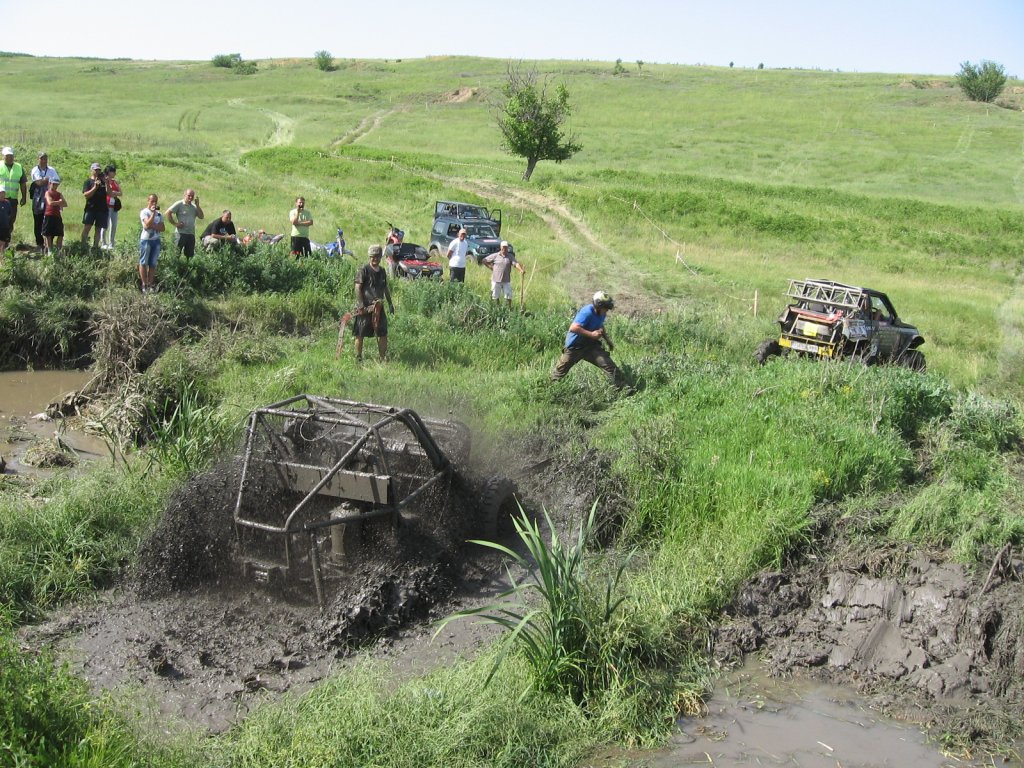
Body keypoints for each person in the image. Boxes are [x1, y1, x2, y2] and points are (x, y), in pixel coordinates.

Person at [550, 291, 627, 389]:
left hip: (591, 346)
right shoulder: (587, 312)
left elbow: (600, 325)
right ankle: (551, 391)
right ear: (598, 306)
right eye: (606, 307)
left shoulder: (601, 313)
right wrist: (591, 334)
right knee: (559, 373)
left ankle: (625, 389)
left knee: (609, 366)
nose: (607, 310)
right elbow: (573, 328)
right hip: (574, 348)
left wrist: (608, 340)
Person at [353, 244, 395, 362]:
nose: (375, 259)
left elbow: (385, 288)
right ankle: (358, 358)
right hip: (365, 307)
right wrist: (361, 305)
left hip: (379, 307)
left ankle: (382, 358)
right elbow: (357, 288)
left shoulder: (382, 271)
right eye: (373, 257)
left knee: (383, 333)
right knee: (359, 333)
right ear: (369, 257)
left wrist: (390, 303)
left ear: (380, 257)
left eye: (377, 256)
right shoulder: (364, 270)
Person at [30, 152, 60, 249]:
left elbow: (57, 181)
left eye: (45, 159)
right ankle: (39, 243)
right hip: (38, 199)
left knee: (50, 219)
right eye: (42, 159)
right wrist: (48, 179)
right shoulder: (35, 170)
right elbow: (39, 182)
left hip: (50, 198)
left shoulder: (51, 169)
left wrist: (47, 180)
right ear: (38, 159)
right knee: (38, 220)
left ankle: (49, 242)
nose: (44, 161)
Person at [165, 189, 204, 258]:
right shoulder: (179, 204)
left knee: (189, 256)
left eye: (192, 196)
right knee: (176, 254)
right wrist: (175, 224)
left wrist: (197, 205)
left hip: (191, 234)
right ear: (184, 195)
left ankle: (186, 268)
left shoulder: (194, 207)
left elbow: (201, 216)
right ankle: (175, 267)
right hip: (180, 233)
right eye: (189, 196)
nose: (190, 198)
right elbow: (168, 213)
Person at [138, 194, 165, 293]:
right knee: (143, 262)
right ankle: (144, 284)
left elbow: (162, 228)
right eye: (152, 201)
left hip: (156, 240)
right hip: (146, 240)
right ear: (148, 201)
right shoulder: (144, 212)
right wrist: (153, 215)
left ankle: (150, 284)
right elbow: (146, 225)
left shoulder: (159, 214)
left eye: (155, 201)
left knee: (153, 263)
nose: (154, 203)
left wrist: (153, 225)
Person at [0, 147, 28, 238]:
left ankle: (7, 240)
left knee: (11, 220)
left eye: (11, 156)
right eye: (7, 156)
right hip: (1, 198)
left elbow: (23, 183)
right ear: (3, 156)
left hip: (12, 199)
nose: (10, 158)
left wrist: (24, 197)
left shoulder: (19, 167)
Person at [80, 163, 108, 248]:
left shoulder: (103, 182)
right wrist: (95, 187)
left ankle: (95, 247)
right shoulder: (88, 182)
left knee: (98, 229)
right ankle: (83, 246)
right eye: (96, 170)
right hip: (90, 208)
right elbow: (86, 195)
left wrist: (107, 183)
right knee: (87, 227)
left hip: (102, 209)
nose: (97, 172)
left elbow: (109, 193)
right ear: (92, 170)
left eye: (99, 170)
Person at [42, 177, 67, 255]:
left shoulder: (59, 194)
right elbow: (50, 203)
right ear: (50, 184)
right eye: (54, 184)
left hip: (57, 215)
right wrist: (59, 202)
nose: (55, 186)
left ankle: (58, 250)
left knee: (60, 234)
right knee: (48, 234)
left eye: (56, 184)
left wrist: (58, 202)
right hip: (49, 214)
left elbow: (65, 204)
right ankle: (49, 250)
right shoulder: (47, 192)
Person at [99, 165, 122, 250]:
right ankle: (103, 243)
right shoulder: (105, 181)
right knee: (105, 225)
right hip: (106, 205)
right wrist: (112, 193)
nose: (115, 173)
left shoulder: (114, 182)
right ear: (109, 172)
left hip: (114, 206)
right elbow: (107, 192)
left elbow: (120, 193)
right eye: (113, 171)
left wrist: (115, 193)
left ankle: (112, 243)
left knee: (114, 225)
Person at [0, 189, 12, 262]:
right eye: (1, 193)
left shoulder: (7, 203)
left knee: (3, 243)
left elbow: (9, 214)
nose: (2, 194)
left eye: (3, 193)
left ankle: (2, 259)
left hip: (5, 226)